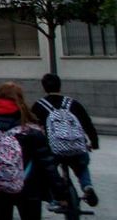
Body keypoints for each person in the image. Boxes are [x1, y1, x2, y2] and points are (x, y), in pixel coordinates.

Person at [0, 82, 65, 220]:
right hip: (28, 186)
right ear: (20, 99)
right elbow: (48, 164)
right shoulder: (32, 129)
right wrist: (60, 192)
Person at [33, 73, 99, 206]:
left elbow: (32, 129)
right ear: (60, 86)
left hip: (54, 150)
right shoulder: (73, 104)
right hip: (76, 147)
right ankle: (87, 187)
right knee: (81, 166)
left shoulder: (38, 106)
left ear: (44, 87)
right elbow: (87, 124)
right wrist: (94, 143)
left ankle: (55, 197)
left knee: (47, 169)